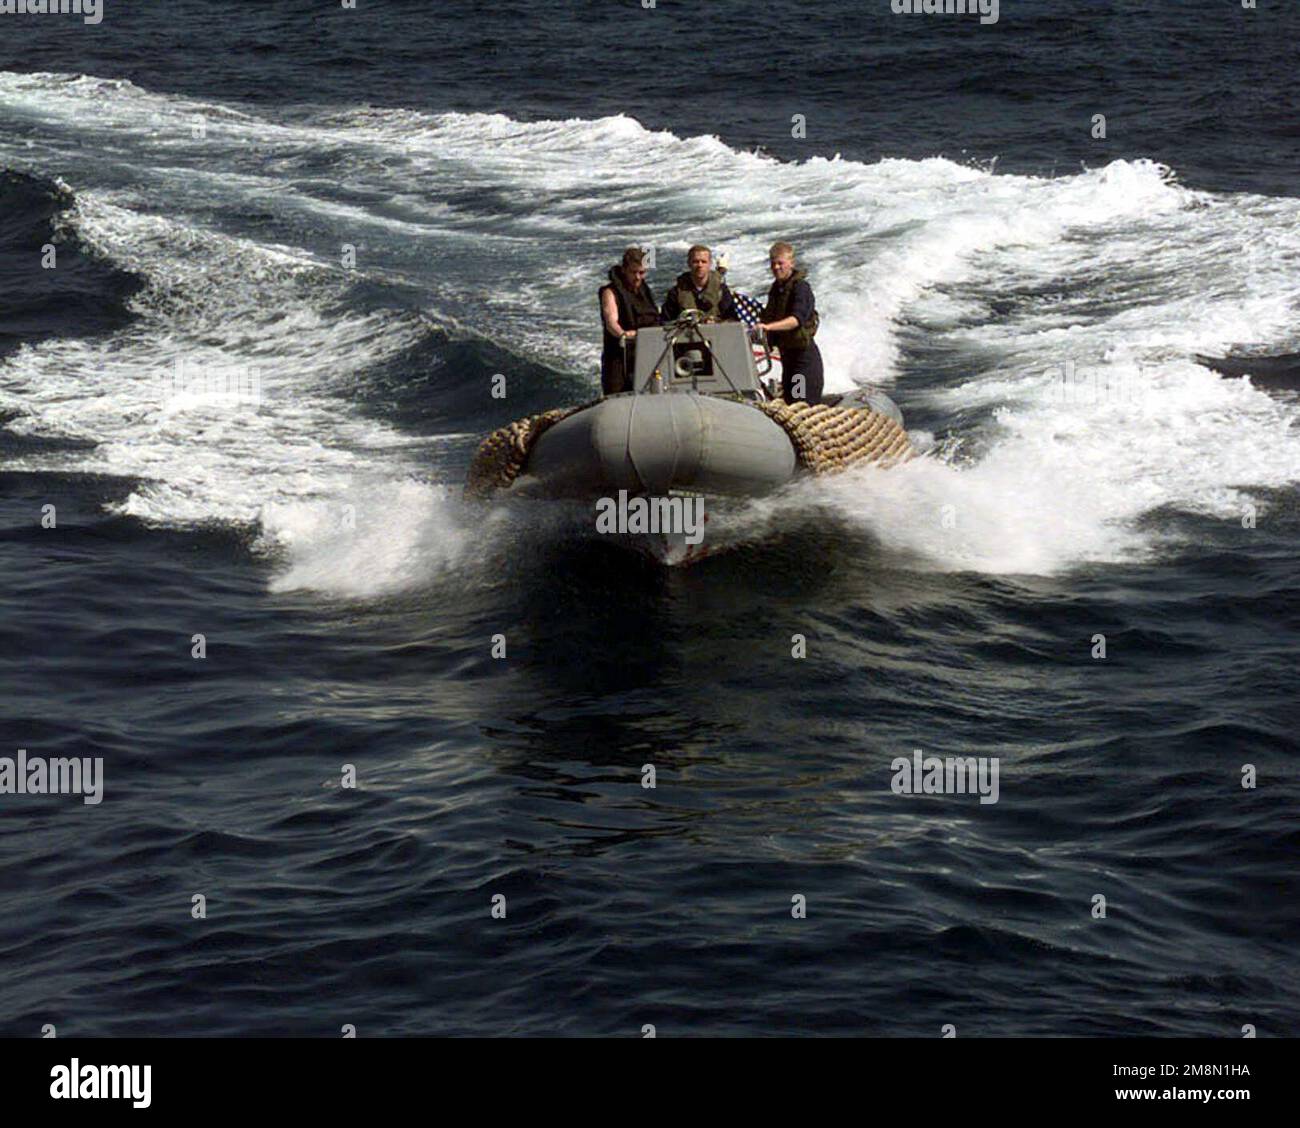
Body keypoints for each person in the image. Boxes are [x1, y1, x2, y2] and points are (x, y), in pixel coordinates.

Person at [756, 241, 823, 405]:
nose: (776, 267)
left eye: (781, 263)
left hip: (803, 360)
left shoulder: (801, 288)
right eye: (773, 264)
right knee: (791, 401)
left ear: (791, 263)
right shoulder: (776, 289)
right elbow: (768, 316)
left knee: (800, 404)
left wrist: (769, 327)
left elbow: (795, 320)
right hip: (787, 358)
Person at [599, 247, 661, 395]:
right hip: (619, 355)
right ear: (624, 270)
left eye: (642, 273)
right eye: (634, 272)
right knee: (616, 394)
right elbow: (611, 321)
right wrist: (623, 334)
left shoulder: (644, 290)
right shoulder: (610, 292)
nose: (638, 277)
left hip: (646, 350)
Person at [661, 245, 739, 323]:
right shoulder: (676, 293)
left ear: (710, 264)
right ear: (689, 263)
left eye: (704, 262)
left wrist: (717, 322)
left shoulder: (721, 290)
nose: (700, 265)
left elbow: (732, 319)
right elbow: (666, 321)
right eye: (695, 262)